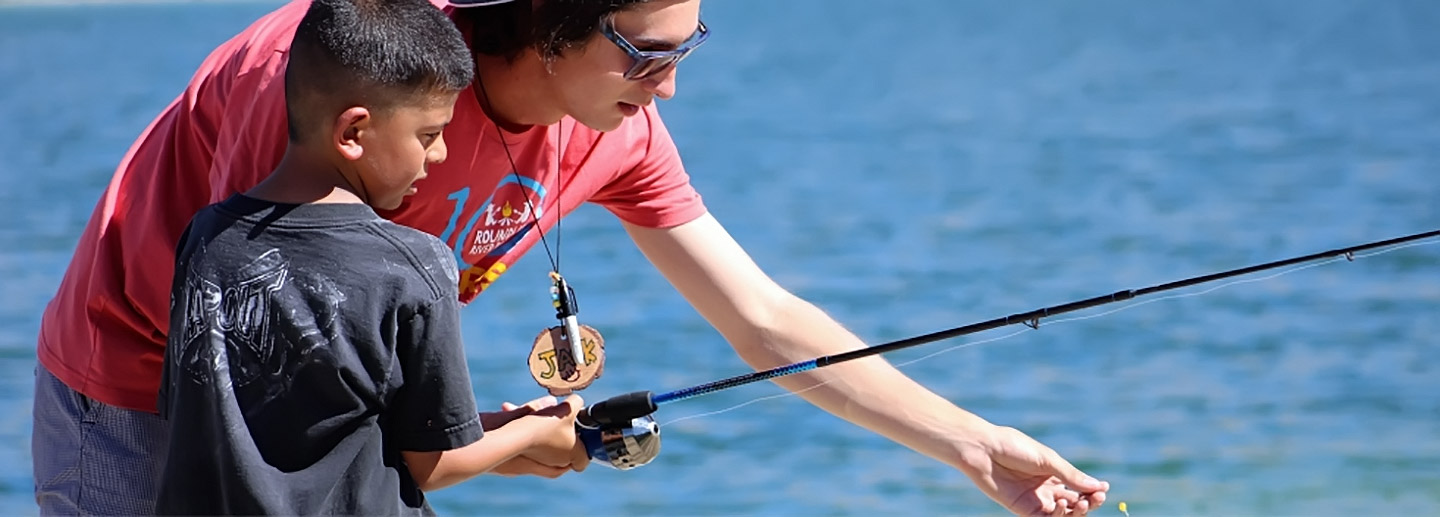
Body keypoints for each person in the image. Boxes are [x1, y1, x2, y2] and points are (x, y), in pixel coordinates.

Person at [31, 0, 1111, 515]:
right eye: (649, 53)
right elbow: (251, 330)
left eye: (691, 46)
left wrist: (975, 448)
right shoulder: (341, 78)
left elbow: (766, 320)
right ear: (549, 26)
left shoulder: (621, 131)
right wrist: (465, 444)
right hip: (138, 393)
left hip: (344, 431)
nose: (672, 83)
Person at [152, 0, 584, 514]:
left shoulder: (205, 238)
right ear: (353, 133)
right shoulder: (413, 266)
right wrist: (538, 431)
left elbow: (210, 412)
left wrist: (503, 428)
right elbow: (437, 462)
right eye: (429, 134)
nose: (440, 153)